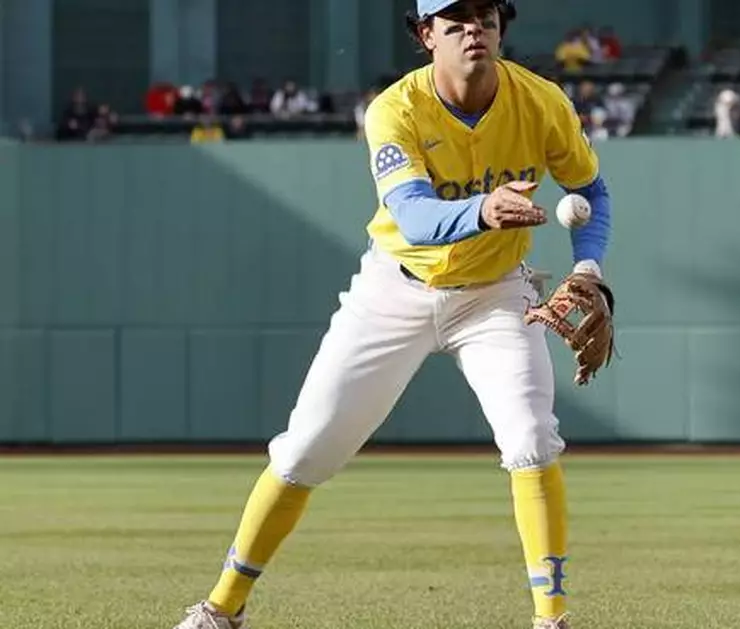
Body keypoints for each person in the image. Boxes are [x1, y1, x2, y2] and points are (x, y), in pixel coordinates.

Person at [168, 1, 613, 628]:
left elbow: (590, 190)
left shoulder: (541, 103)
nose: (472, 32)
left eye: (483, 18)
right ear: (425, 34)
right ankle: (222, 609)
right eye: (453, 22)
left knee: (533, 440)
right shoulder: (396, 110)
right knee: (303, 453)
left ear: (500, 29)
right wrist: (483, 210)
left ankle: (552, 620)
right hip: (394, 290)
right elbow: (413, 216)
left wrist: (589, 266)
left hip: (495, 294)